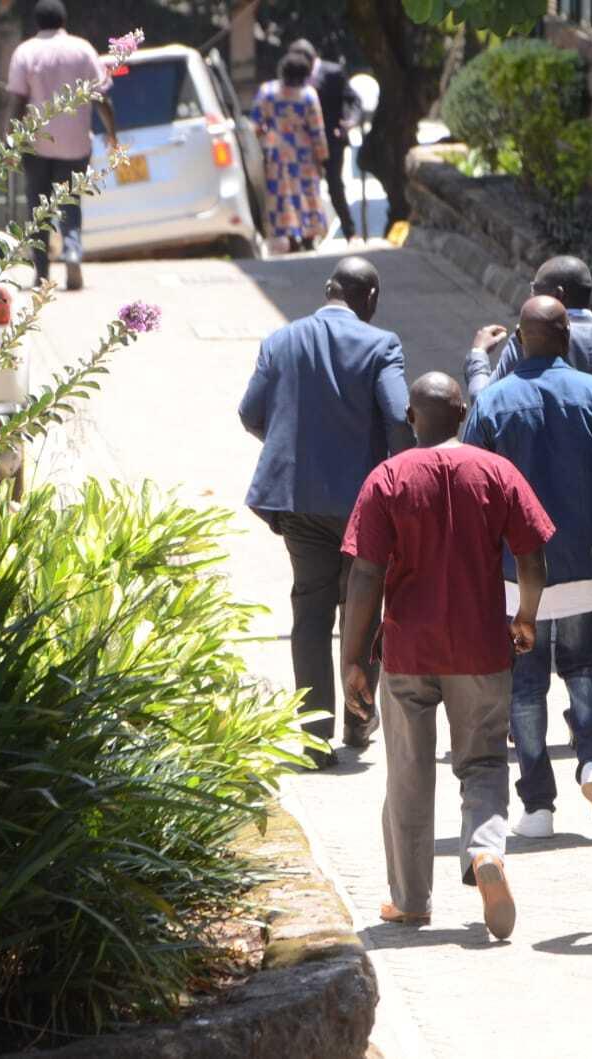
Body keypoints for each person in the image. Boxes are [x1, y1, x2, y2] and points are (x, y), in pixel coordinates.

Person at [340, 373, 554, 941]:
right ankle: (485, 853)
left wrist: (352, 657)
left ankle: (411, 902)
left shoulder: (387, 478)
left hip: (408, 651)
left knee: (408, 774)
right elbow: (532, 558)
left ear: (412, 418)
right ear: (463, 414)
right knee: (482, 763)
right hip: (481, 649)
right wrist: (526, 617)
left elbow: (365, 573)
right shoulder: (496, 472)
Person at [462, 296, 592, 839]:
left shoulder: (491, 402)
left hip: (517, 582)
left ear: (518, 338)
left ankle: (537, 807)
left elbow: (470, 491)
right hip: (587, 570)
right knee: (585, 669)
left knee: (527, 686)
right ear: (566, 339)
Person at [239, 257, 412, 767]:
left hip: (298, 501)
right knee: (363, 607)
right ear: (371, 299)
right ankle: (359, 723)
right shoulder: (382, 346)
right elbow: (400, 420)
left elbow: (250, 412)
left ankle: (314, 738)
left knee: (309, 612)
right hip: (365, 505)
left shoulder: (281, 340)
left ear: (327, 289)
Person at [465, 255, 592, 448]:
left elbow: (485, 402)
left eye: (534, 290)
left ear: (558, 295)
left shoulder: (529, 337)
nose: (530, 298)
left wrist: (478, 354)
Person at [6, 0, 117, 291]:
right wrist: (112, 134)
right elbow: (102, 98)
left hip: (37, 146)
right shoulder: (83, 50)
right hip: (75, 144)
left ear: (36, 22)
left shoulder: (25, 52)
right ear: (64, 20)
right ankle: (72, 250)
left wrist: (11, 141)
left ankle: (42, 273)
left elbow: (18, 102)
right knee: (70, 203)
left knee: (38, 209)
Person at [251, 52, 330, 253]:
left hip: (275, 153)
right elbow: (317, 130)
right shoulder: (308, 95)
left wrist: (263, 141)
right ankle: (308, 234)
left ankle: (287, 235)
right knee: (307, 194)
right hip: (303, 154)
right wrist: (322, 157)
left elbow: (256, 124)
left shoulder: (267, 92)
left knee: (280, 196)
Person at [287, 38, 361, 242]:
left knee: (335, 186)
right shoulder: (294, 74)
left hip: (332, 140)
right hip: (304, 144)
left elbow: (352, 99)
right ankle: (307, 234)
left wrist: (350, 121)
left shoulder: (333, 72)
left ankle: (350, 232)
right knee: (304, 188)